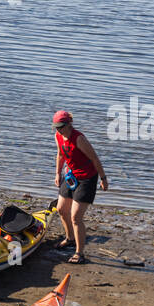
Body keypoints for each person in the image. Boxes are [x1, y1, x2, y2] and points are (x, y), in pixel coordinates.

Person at [52, 109, 108, 264]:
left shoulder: (79, 139)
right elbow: (60, 154)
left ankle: (79, 253)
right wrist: (58, 174)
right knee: (61, 209)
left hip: (87, 179)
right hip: (71, 176)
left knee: (76, 217)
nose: (58, 129)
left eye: (61, 126)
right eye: (56, 126)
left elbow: (95, 158)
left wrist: (103, 179)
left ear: (69, 124)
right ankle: (69, 238)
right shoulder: (58, 136)